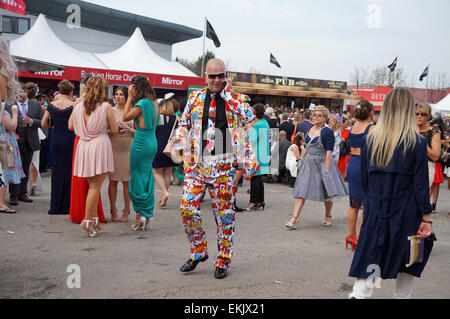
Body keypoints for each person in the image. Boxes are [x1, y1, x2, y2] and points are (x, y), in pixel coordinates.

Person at [173, 58, 257, 279]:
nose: (217, 80)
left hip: (223, 165)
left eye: (221, 75)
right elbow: (184, 123)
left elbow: (249, 117)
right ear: (205, 77)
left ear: (226, 76)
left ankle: (223, 260)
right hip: (196, 165)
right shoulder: (195, 98)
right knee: (187, 208)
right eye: (213, 76)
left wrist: (228, 95)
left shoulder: (236, 99)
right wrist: (180, 142)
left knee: (224, 217)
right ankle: (199, 251)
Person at [348, 87, 435, 299]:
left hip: (376, 210)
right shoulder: (417, 143)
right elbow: (421, 186)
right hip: (407, 213)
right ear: (408, 111)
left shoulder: (370, 140)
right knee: (406, 273)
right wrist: (426, 217)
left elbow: (365, 181)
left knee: (367, 274)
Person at [69, 76, 118, 237]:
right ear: (102, 89)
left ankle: (93, 219)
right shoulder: (106, 107)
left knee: (92, 186)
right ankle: (87, 220)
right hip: (99, 145)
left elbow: (70, 126)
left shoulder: (78, 106)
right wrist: (102, 130)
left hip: (84, 146)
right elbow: (114, 129)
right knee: (95, 187)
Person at [285, 105, 347, 229]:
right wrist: (301, 160)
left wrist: (327, 170)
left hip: (322, 162)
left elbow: (329, 152)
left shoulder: (327, 131)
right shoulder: (309, 128)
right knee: (301, 190)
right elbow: (306, 147)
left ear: (325, 118)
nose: (316, 117)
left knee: (327, 192)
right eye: (314, 115)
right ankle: (294, 218)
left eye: (319, 115)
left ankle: (328, 215)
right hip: (308, 162)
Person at [123, 75, 159, 231]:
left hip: (141, 142)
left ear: (136, 88)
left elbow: (125, 117)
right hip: (152, 141)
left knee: (137, 177)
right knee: (147, 177)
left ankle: (140, 216)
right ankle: (147, 213)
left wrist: (129, 97)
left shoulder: (142, 103)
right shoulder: (154, 102)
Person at [41, 80, 76, 215]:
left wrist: (55, 126)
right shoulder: (74, 105)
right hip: (70, 139)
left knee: (56, 171)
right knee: (68, 171)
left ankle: (55, 206)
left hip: (56, 138)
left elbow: (44, 124)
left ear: (60, 91)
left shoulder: (51, 105)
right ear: (71, 91)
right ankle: (66, 206)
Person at [6, 83, 44, 206]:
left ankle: (23, 193)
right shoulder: (10, 105)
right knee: (15, 168)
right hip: (15, 142)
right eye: (16, 93)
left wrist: (31, 121)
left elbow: (43, 122)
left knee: (25, 168)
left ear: (26, 92)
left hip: (30, 142)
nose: (18, 95)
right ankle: (14, 195)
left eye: (20, 92)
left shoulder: (35, 105)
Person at [345, 100, 375, 251]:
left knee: (353, 203)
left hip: (352, 163)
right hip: (365, 165)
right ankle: (360, 238)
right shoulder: (372, 128)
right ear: (370, 112)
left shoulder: (353, 127)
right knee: (366, 204)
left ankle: (351, 236)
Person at [0, 37, 23, 214]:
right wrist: (14, 113)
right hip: (3, 139)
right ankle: (1, 203)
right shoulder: (2, 75)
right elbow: (10, 124)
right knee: (4, 170)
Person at [108, 86, 134, 222]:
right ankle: (113, 209)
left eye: (121, 94)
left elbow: (139, 133)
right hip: (113, 148)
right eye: (116, 94)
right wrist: (113, 130)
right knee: (112, 181)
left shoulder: (132, 112)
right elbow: (104, 131)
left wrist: (129, 130)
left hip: (128, 149)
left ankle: (126, 209)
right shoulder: (110, 111)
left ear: (126, 97)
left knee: (126, 182)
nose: (118, 97)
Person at [153, 94, 178, 208]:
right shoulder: (177, 119)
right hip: (172, 149)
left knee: (156, 172)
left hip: (158, 146)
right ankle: (164, 196)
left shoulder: (158, 118)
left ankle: (164, 192)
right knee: (168, 172)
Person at [415, 103, 441, 210]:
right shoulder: (409, 129)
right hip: (409, 167)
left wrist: (421, 143)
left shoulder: (434, 132)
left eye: (423, 114)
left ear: (429, 116)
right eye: (417, 114)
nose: (419, 116)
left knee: (419, 197)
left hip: (426, 167)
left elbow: (435, 156)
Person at [246, 103, 270, 211]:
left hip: (257, 154)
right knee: (259, 179)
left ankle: (253, 202)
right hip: (263, 153)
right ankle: (260, 201)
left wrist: (250, 128)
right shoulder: (265, 123)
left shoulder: (257, 125)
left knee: (255, 178)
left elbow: (251, 140)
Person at [429, 118, 446, 212]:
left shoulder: (442, 137)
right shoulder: (429, 134)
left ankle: (434, 204)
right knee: (431, 184)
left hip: (438, 162)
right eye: (434, 127)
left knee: (436, 184)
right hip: (430, 161)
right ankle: (427, 203)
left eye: (438, 127)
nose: (436, 129)